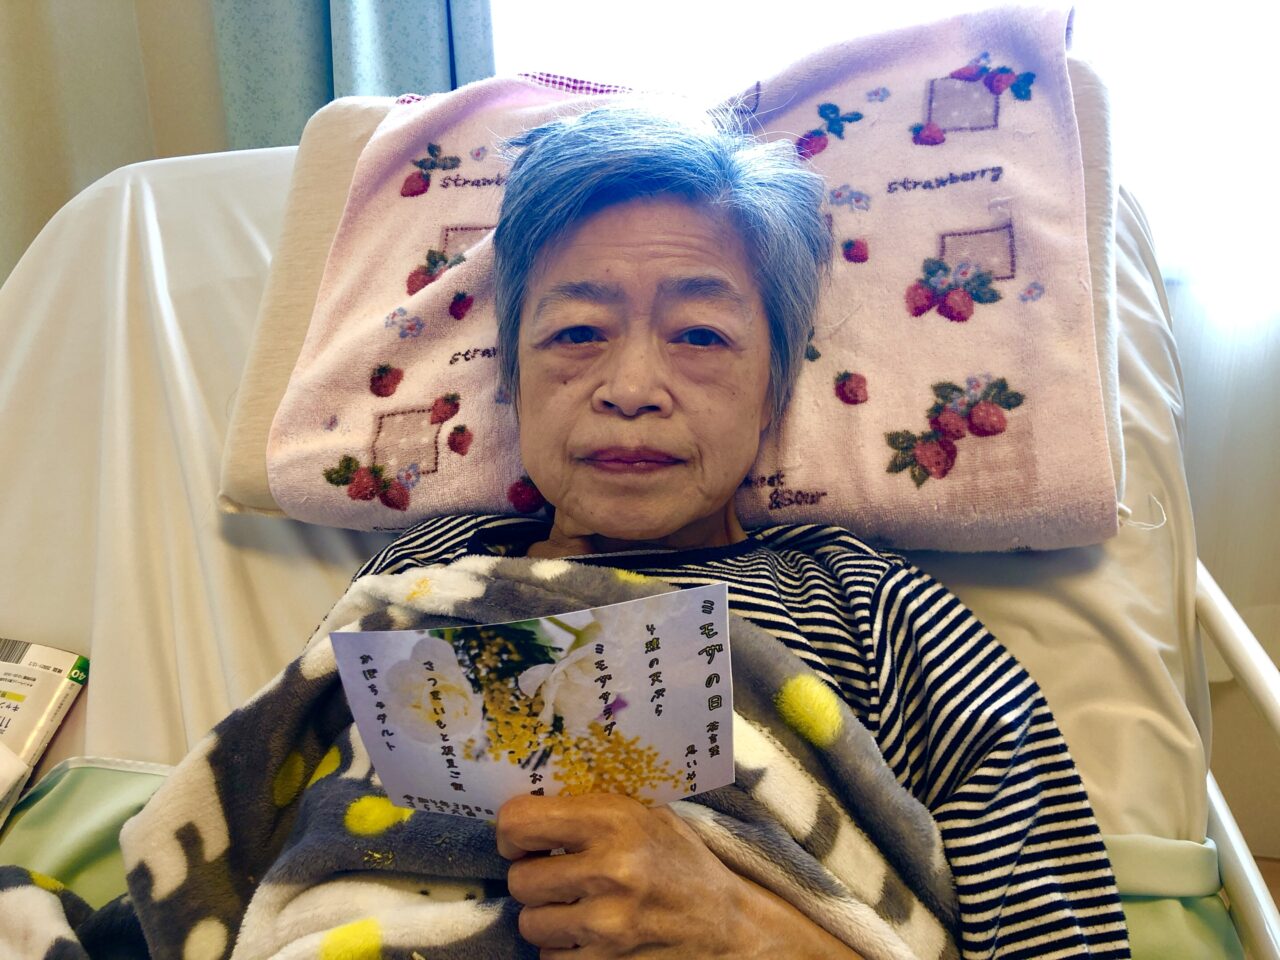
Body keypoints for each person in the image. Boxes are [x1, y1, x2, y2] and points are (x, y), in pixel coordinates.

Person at [356, 105, 1131, 959]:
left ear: (774, 389)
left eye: (700, 335)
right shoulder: (419, 575)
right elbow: (293, 832)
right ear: (512, 374)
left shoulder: (878, 614)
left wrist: (747, 931)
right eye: (576, 332)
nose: (632, 388)